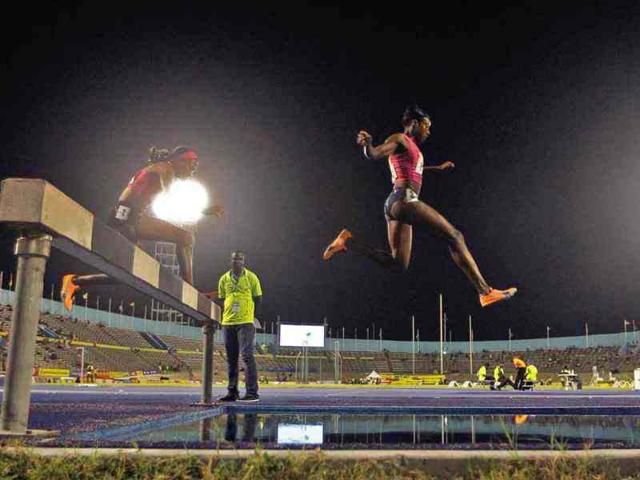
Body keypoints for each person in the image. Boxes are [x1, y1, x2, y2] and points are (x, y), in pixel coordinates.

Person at [323, 105, 517, 307]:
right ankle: (485, 292)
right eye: (426, 126)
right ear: (414, 124)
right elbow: (375, 153)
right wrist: (368, 146)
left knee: (398, 265)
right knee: (455, 236)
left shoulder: (412, 149)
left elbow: (415, 169)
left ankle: (347, 241)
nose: (428, 131)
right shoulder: (399, 139)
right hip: (404, 200)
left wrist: (437, 168)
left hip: (395, 205)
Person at [60, 146, 224, 310]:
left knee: (141, 269)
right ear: (180, 161)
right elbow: (171, 200)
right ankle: (75, 281)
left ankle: (190, 290)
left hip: (132, 217)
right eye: (191, 166)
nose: (192, 172)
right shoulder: (166, 169)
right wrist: (204, 211)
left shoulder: (164, 168)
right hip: (124, 218)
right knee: (134, 269)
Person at [214, 251, 263, 403]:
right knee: (231, 359)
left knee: (247, 355)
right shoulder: (224, 279)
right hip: (228, 322)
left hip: (246, 322)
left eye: (240, 259)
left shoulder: (251, 277)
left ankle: (252, 392)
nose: (237, 261)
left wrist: (250, 314)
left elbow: (258, 298)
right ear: (231, 260)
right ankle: (232, 392)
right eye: (235, 258)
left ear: (244, 261)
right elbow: (222, 298)